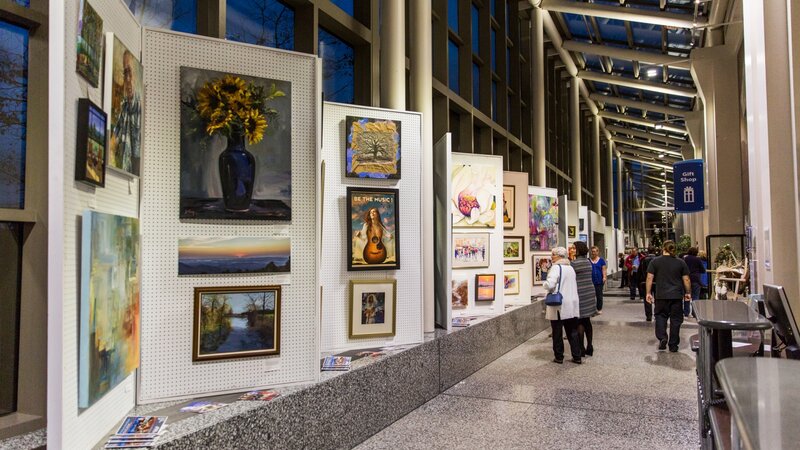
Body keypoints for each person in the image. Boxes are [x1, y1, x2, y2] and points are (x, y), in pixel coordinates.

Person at [646, 240, 691, 352]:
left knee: (660, 316)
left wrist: (648, 293)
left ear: (663, 248)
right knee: (676, 320)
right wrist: (688, 292)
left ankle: (662, 337)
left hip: (661, 295)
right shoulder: (681, 262)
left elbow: (649, 278)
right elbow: (686, 279)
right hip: (676, 296)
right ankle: (673, 344)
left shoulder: (655, 261)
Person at [544, 246, 582, 364]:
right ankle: (577, 356)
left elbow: (550, 284)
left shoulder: (556, 268)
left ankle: (559, 356)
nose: (552, 257)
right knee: (572, 331)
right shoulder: (570, 268)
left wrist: (544, 284)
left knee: (557, 331)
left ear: (559, 256)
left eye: (553, 255)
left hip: (559, 305)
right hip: (571, 303)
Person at [572, 242, 597, 357]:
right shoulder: (588, 262)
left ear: (578, 250)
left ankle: (581, 348)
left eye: (573, 248)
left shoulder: (574, 264)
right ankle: (590, 346)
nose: (572, 249)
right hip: (589, 292)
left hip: (580, 293)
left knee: (579, 322)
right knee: (587, 320)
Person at [683, 247, 706, 317]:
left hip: (686, 279)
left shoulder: (685, 259)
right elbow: (703, 270)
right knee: (695, 296)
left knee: (687, 295)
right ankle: (694, 312)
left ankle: (686, 312)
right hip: (696, 279)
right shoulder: (697, 259)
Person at [638, 247, 657, 321]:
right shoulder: (658, 259)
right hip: (656, 281)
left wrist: (640, 281)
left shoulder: (643, 260)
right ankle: (656, 314)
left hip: (645, 281)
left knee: (647, 298)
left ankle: (648, 315)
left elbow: (640, 271)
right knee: (657, 298)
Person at [589, 246, 607, 315]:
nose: (593, 253)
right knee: (591, 296)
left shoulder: (601, 260)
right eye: (592, 251)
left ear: (597, 252)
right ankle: (591, 309)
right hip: (590, 281)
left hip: (599, 281)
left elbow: (604, 269)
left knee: (599, 296)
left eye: (594, 251)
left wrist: (604, 277)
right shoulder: (588, 260)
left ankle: (599, 308)